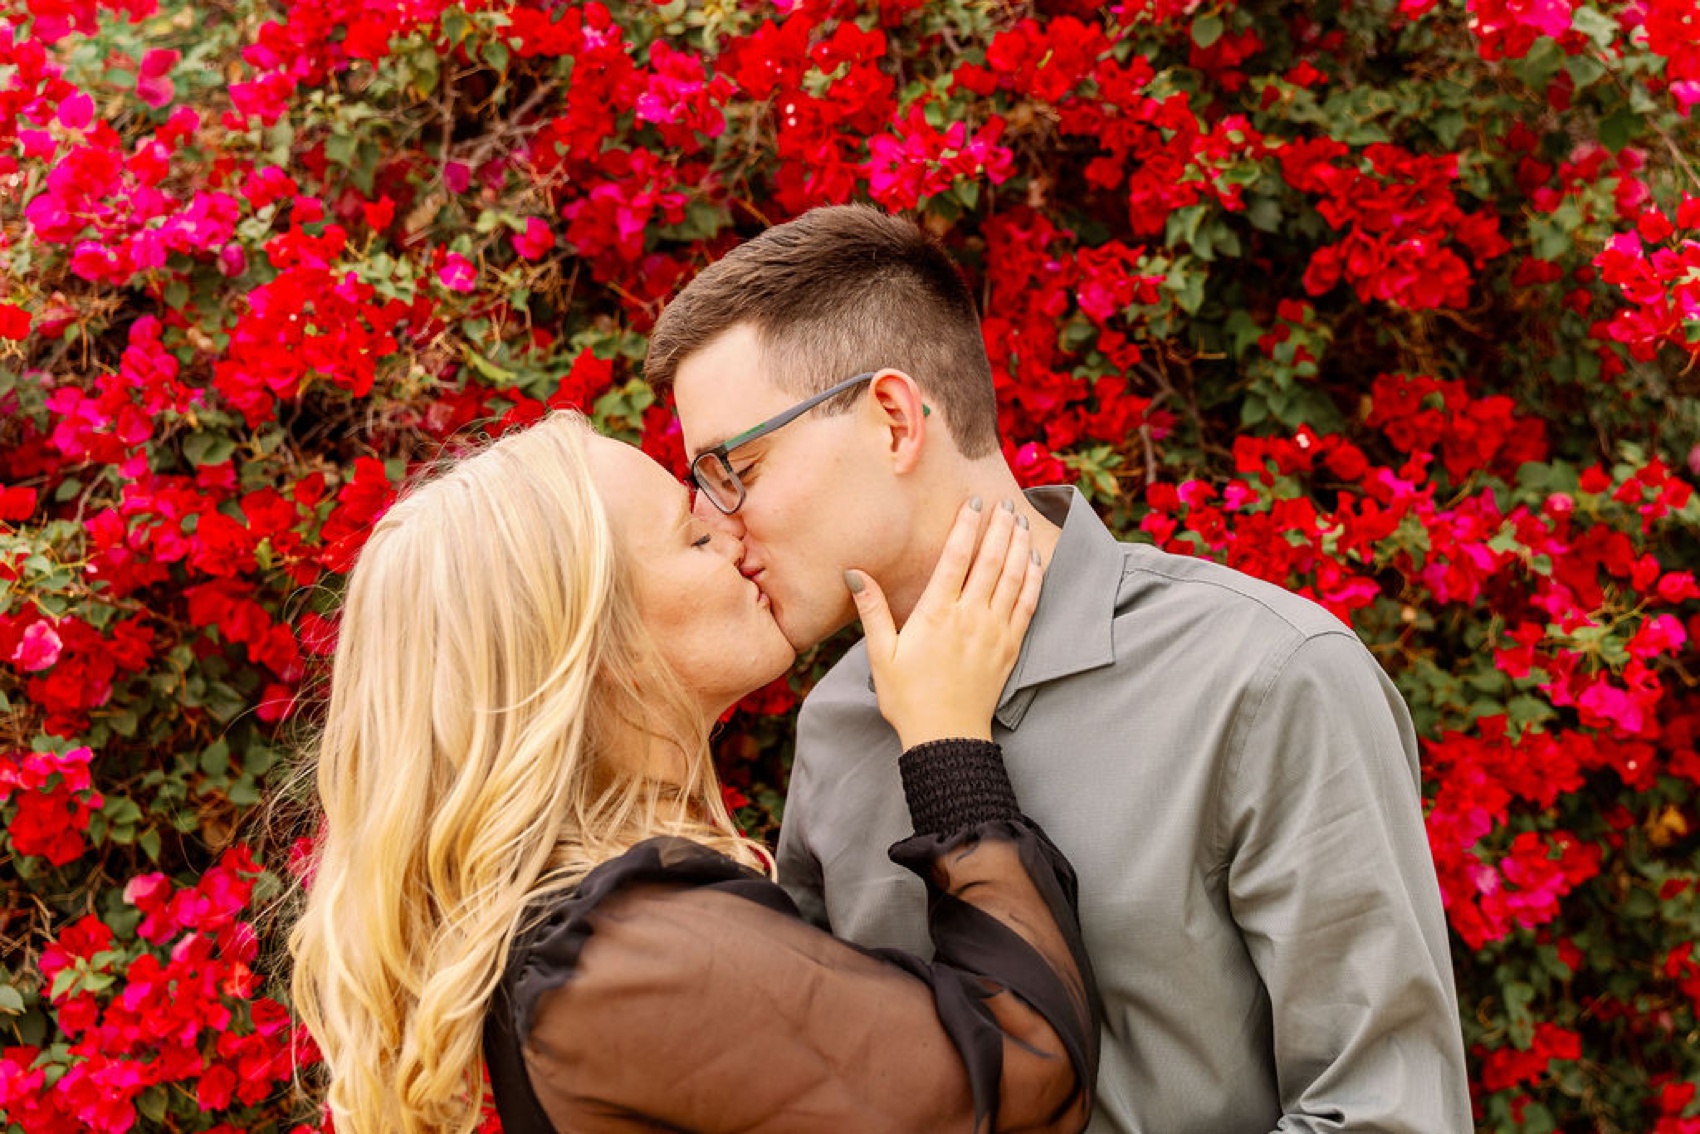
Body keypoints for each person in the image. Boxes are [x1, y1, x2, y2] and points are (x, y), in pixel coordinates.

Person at [646, 204, 1474, 1133]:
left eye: (736, 466)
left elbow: (1383, 1114)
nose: (719, 519)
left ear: (891, 420)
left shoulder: (1268, 677)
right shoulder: (840, 717)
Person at [287, 412, 1101, 1134]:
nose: (735, 529)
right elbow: (1023, 1081)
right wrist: (948, 742)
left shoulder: (604, 940)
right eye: (693, 533)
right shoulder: (623, 957)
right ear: (600, 654)